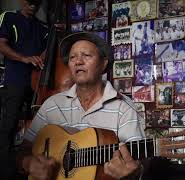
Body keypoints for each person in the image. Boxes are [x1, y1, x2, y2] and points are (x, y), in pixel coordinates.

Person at [17, 32, 145, 179]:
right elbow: (23, 151)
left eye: (86, 55)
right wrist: (28, 163)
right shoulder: (52, 105)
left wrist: (133, 173)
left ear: (103, 64)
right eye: (72, 57)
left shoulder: (124, 108)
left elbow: (139, 163)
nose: (78, 61)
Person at [0, 0, 48, 178]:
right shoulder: (9, 18)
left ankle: (30, 167)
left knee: (34, 127)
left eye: (37, 1)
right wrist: (24, 59)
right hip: (15, 80)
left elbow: (46, 50)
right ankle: (5, 170)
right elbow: (1, 45)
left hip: (37, 83)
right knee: (9, 125)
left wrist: (42, 56)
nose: (33, 4)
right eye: (29, 1)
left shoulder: (42, 27)